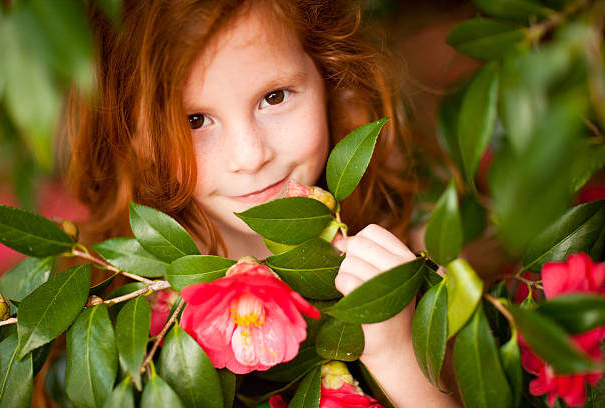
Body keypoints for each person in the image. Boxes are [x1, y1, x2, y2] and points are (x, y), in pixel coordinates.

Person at [66, 0, 460, 406]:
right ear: (136, 136)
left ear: (327, 73)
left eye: (274, 97)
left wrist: (397, 357)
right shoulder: (119, 313)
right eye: (194, 121)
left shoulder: (408, 238)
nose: (251, 157)